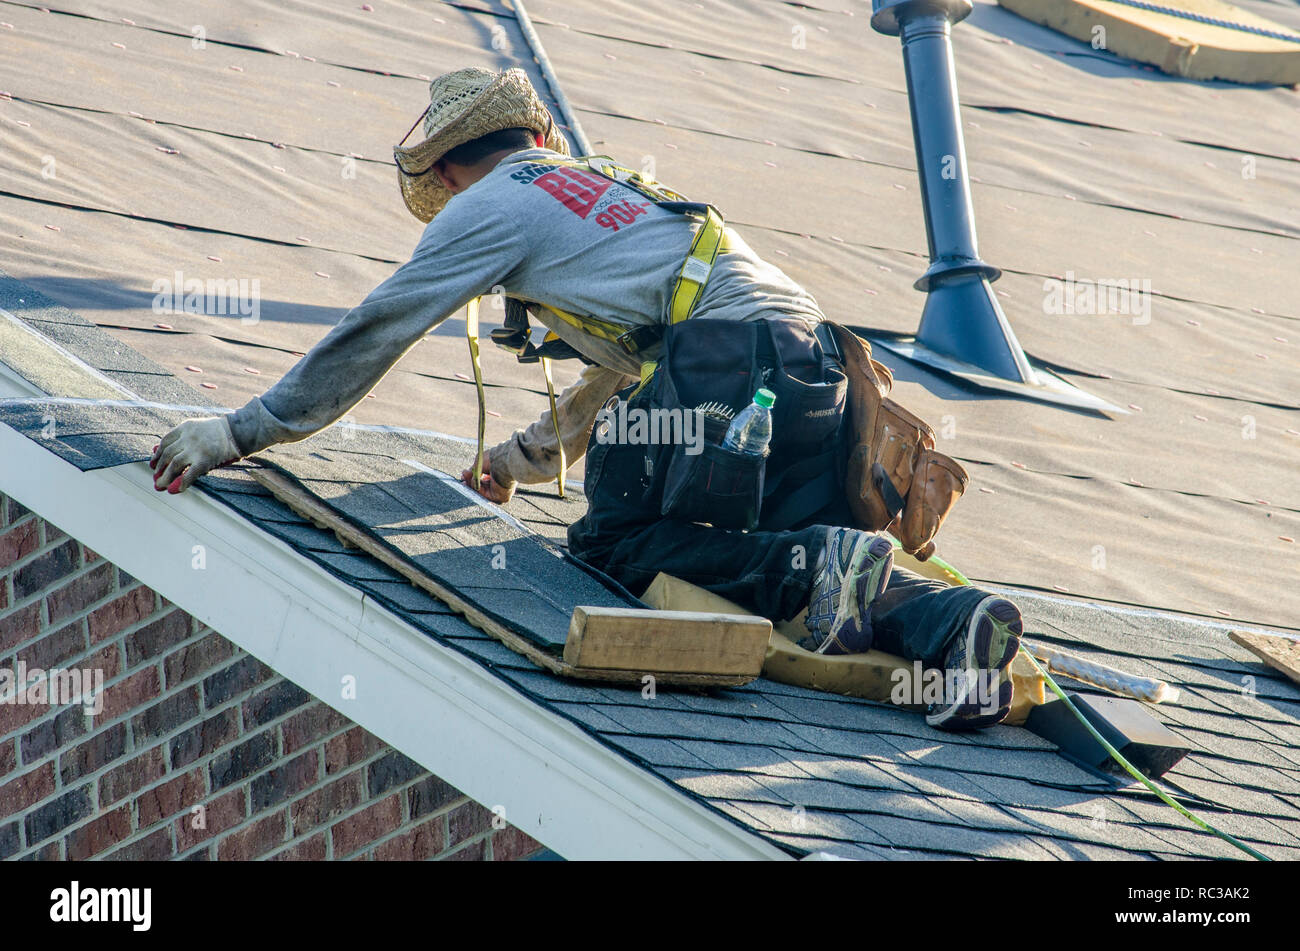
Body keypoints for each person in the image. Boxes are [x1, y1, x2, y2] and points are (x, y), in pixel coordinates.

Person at [149, 66, 1021, 730]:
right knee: (763, 560)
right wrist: (523, 462)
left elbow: (377, 329)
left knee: (616, 540)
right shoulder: (610, 194)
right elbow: (634, 364)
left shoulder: (487, 204)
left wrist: (237, 431)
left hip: (732, 363)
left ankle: (812, 561)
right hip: (817, 375)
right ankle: (952, 627)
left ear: (450, 167)